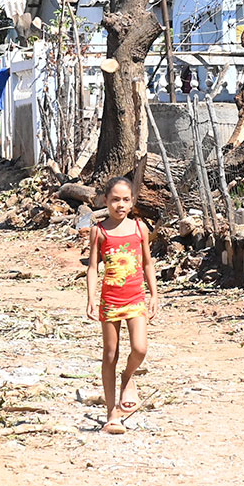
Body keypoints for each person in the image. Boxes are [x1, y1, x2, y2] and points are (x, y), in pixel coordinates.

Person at [85, 177, 158, 435]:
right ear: (105, 201)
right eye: (115, 199)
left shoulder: (140, 228)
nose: (120, 204)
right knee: (109, 354)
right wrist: (91, 297)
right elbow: (93, 267)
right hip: (110, 300)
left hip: (135, 297)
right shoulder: (99, 231)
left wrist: (154, 295)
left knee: (139, 348)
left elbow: (148, 263)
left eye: (126, 200)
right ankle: (111, 412)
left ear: (132, 202)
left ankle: (128, 377)